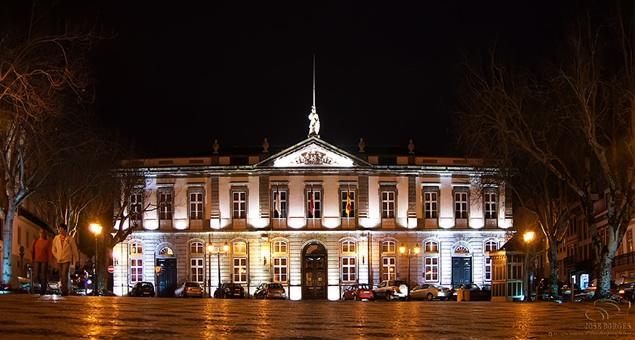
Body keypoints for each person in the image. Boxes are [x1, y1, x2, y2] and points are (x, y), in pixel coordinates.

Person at [51, 224, 79, 296]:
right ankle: (63, 288)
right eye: (59, 229)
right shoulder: (56, 238)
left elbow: (74, 249)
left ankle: (64, 290)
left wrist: (77, 259)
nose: (60, 231)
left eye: (62, 229)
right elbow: (53, 249)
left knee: (64, 274)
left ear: (65, 230)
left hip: (66, 259)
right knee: (61, 275)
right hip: (59, 259)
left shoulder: (70, 239)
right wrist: (57, 256)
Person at [31, 229, 52, 295]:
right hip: (36, 260)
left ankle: (43, 290)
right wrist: (32, 259)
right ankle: (43, 284)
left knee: (43, 275)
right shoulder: (36, 241)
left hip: (44, 260)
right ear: (39, 233)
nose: (41, 233)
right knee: (36, 275)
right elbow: (32, 250)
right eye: (40, 232)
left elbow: (49, 252)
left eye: (43, 232)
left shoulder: (47, 242)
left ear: (44, 234)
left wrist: (50, 261)